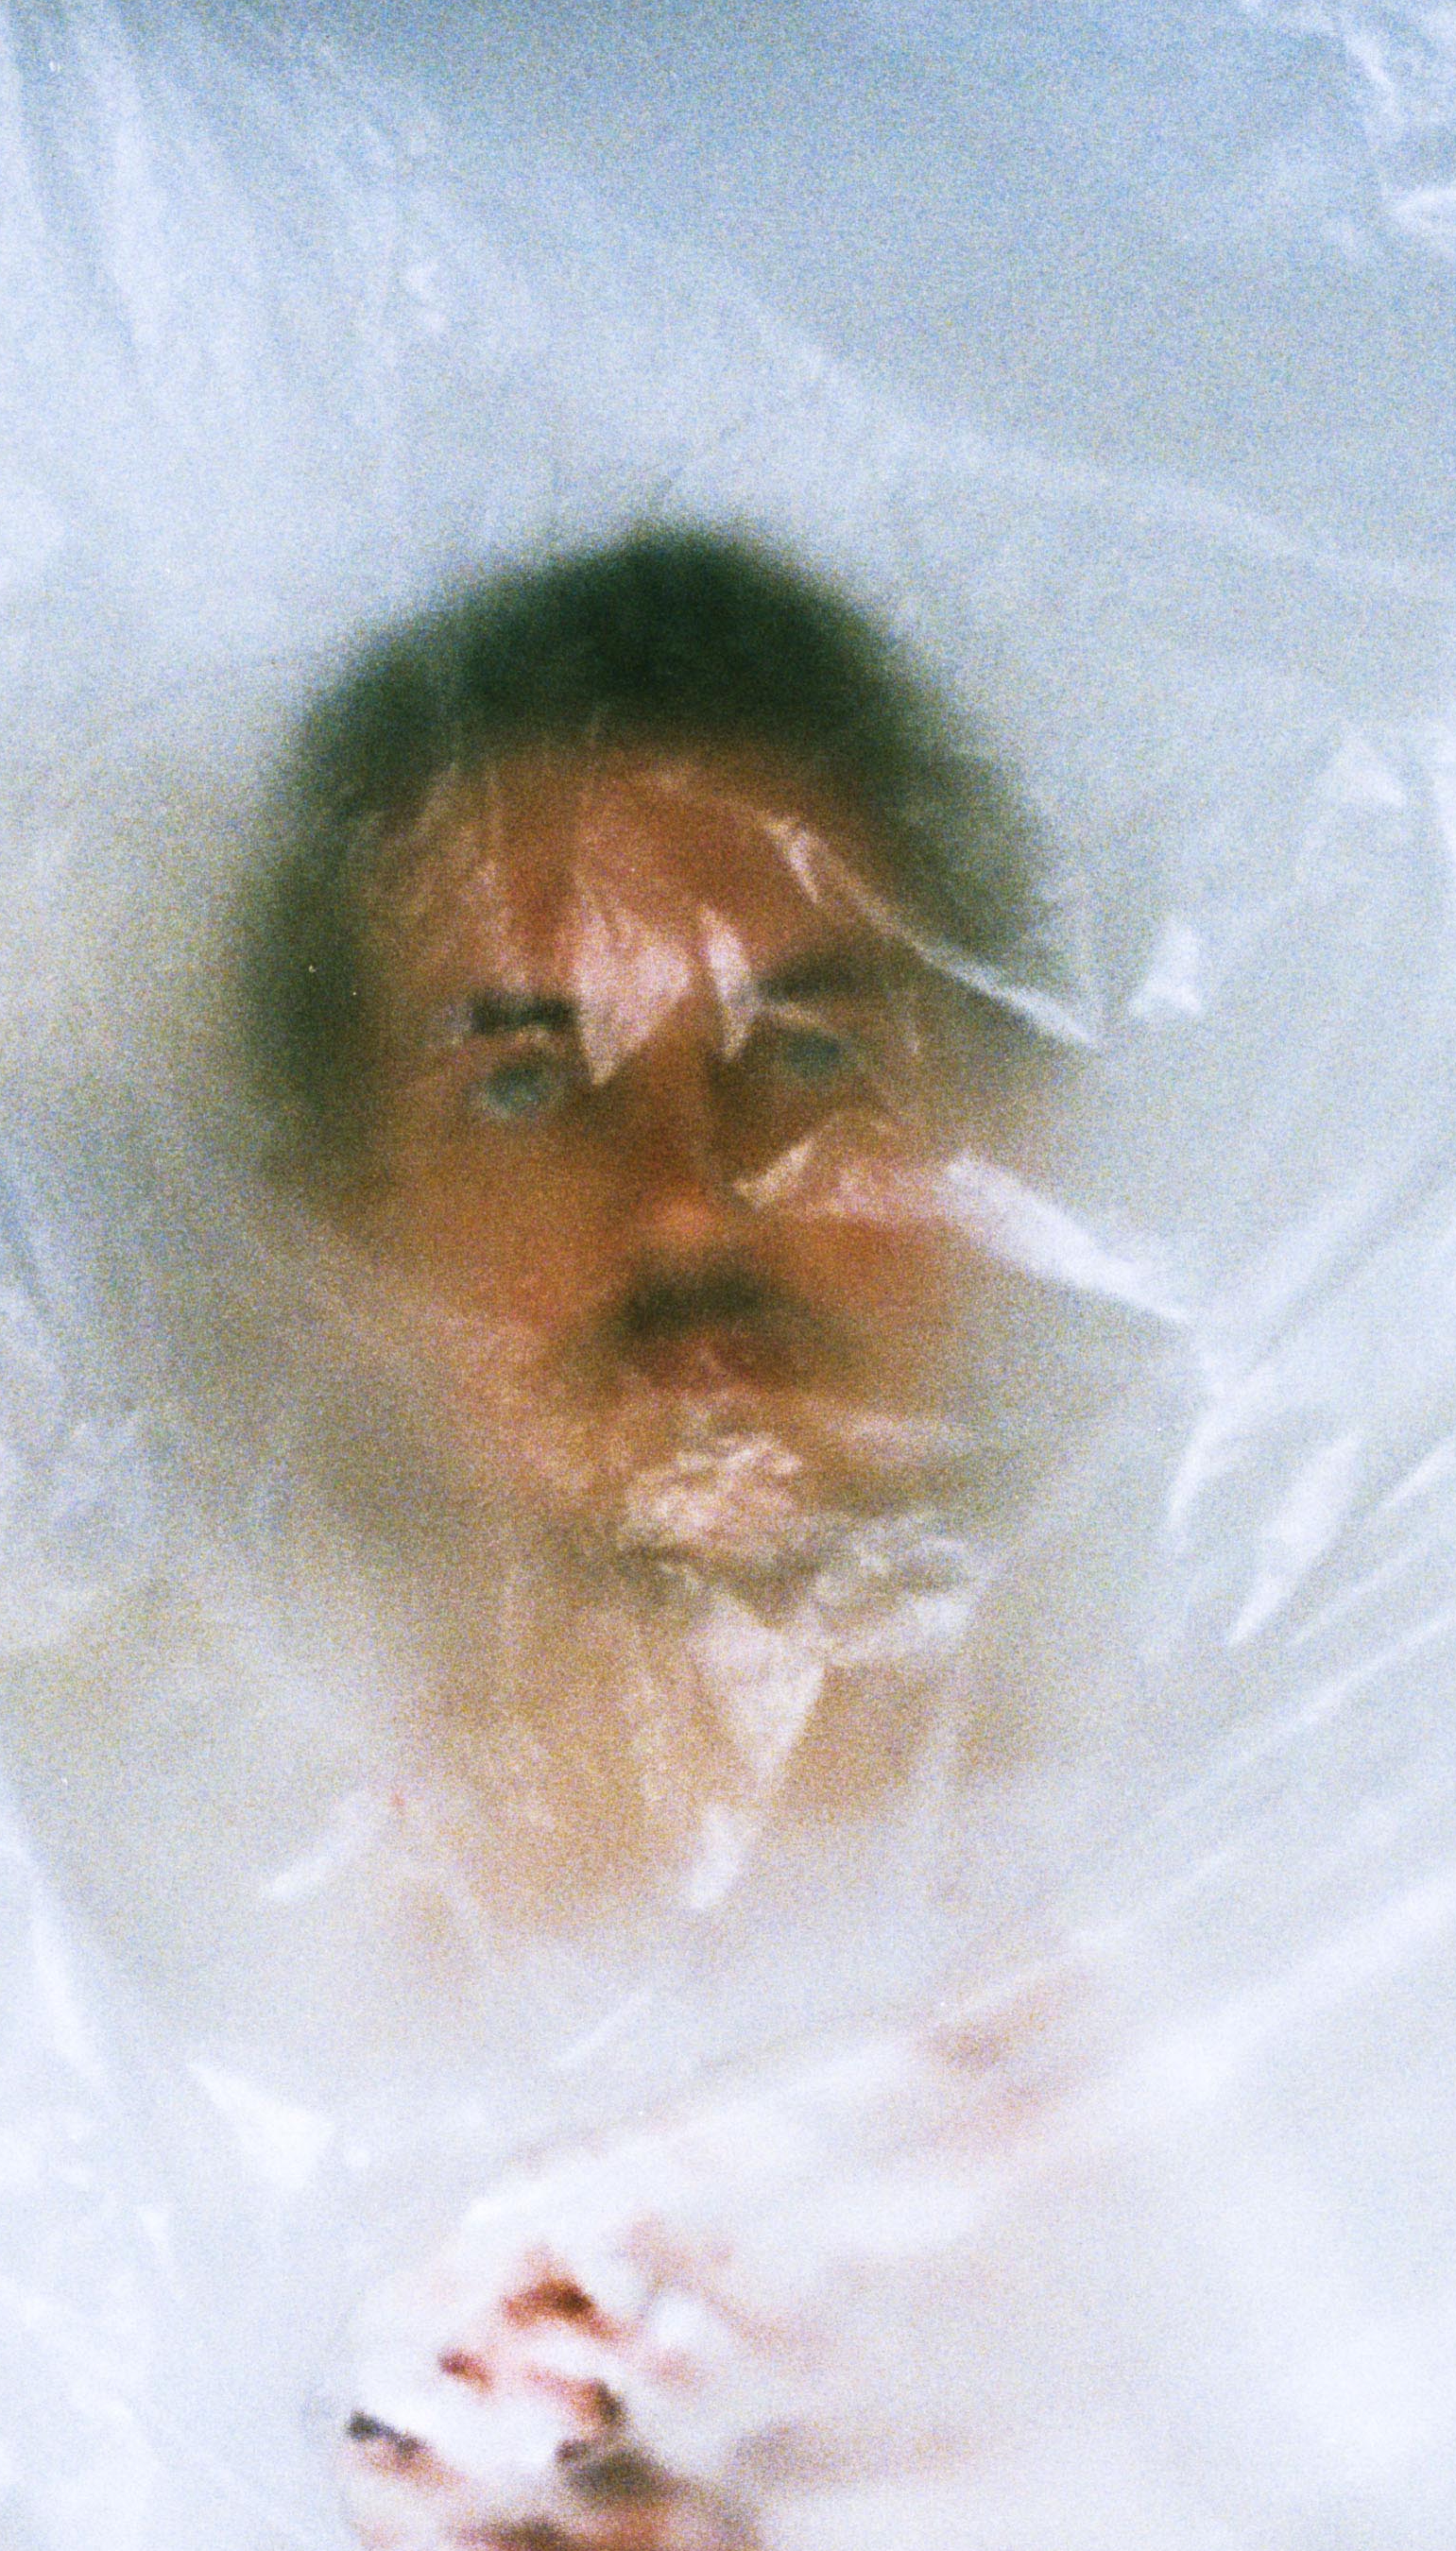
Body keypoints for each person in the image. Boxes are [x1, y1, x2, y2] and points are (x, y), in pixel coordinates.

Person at [223, 526, 1143, 1933]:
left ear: (1005, 1131)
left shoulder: (1298, 1881)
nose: (686, 1201)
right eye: (525, 1083)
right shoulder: (188, 1966)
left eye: (812, 1052)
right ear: (337, 1220)